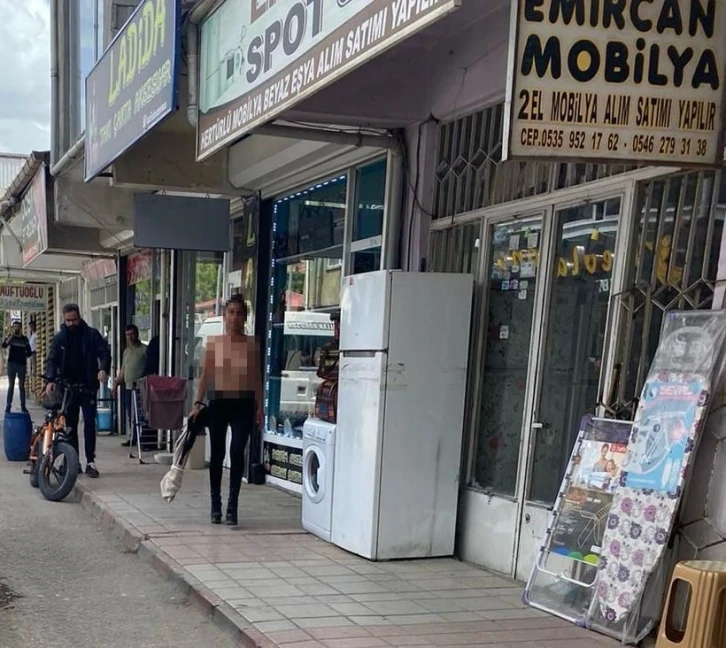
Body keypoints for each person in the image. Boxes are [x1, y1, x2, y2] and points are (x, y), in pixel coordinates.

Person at [189, 293, 262, 526]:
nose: (235, 317)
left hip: (244, 404)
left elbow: (257, 378)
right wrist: (197, 403)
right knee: (218, 454)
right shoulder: (215, 344)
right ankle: (215, 504)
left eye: (239, 313)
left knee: (237, 450)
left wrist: (260, 407)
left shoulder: (251, 345)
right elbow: (205, 376)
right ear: (224, 316)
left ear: (245, 317)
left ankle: (233, 505)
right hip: (219, 402)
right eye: (231, 312)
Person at [43, 303, 111, 478]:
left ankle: (90, 461)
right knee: (70, 426)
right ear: (64, 319)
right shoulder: (60, 338)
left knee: (89, 423)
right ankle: (73, 462)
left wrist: (103, 368)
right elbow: (52, 360)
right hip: (68, 388)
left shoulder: (91, 335)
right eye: (67, 320)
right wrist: (50, 380)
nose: (71, 324)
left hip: (88, 386)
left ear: (79, 317)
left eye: (74, 320)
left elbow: (104, 353)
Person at [113, 325, 147, 448]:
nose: (130, 337)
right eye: (127, 335)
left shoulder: (144, 350)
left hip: (140, 388)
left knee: (141, 414)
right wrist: (115, 385)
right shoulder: (126, 351)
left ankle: (143, 439)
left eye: (132, 334)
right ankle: (133, 438)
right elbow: (123, 370)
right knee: (131, 415)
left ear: (137, 334)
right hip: (128, 387)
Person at [3, 319, 32, 413]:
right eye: (14, 327)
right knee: (11, 386)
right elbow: (4, 345)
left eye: (18, 327)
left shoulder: (24, 339)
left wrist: (24, 354)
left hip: (21, 364)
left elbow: (29, 352)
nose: (16, 329)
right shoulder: (10, 337)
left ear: (21, 328)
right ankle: (8, 406)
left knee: (21, 386)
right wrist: (11, 337)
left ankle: (23, 406)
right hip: (11, 364)